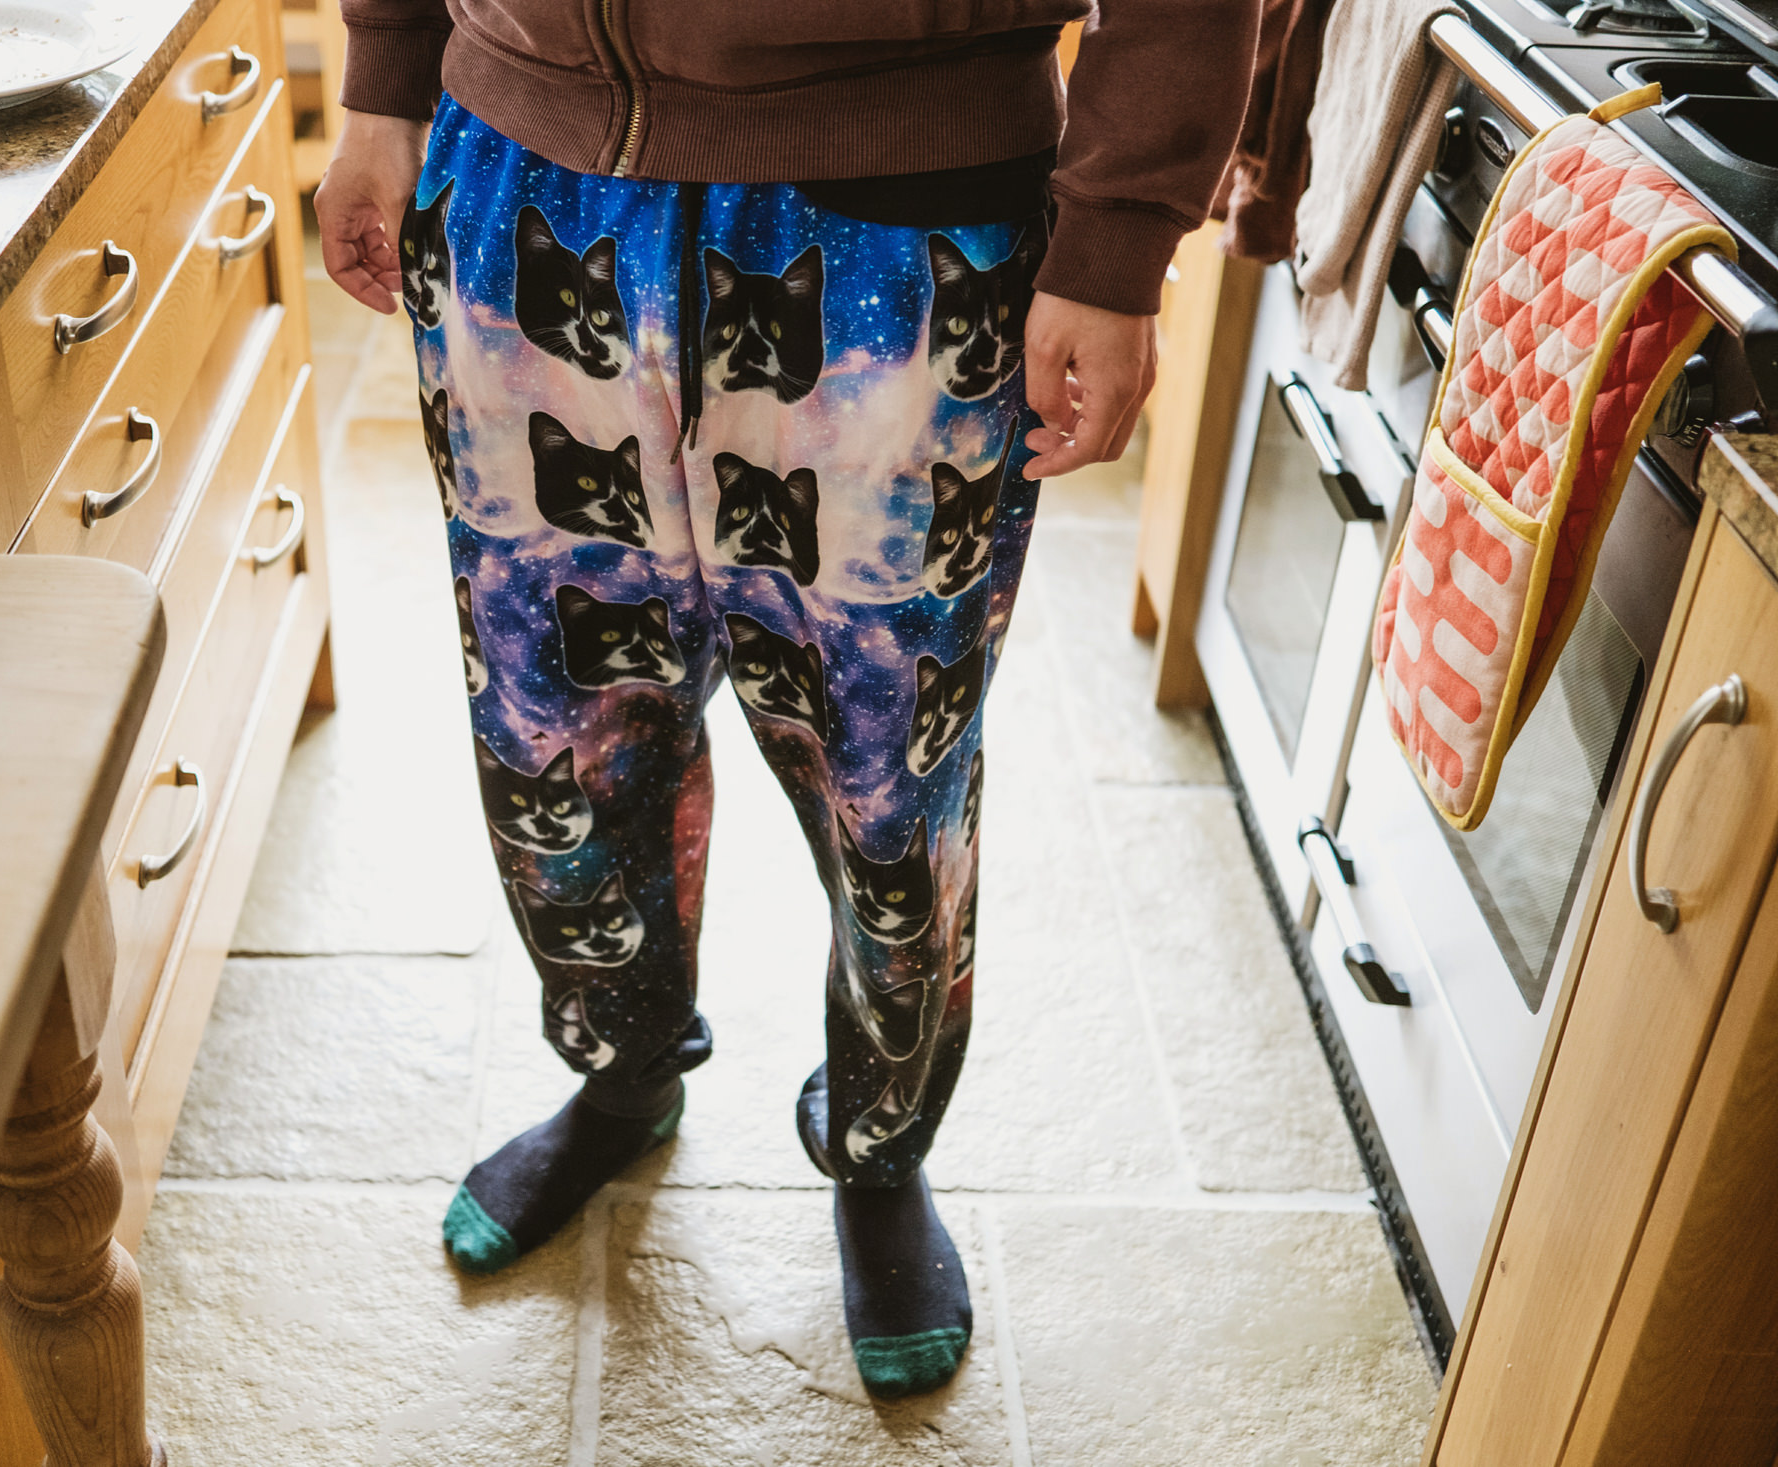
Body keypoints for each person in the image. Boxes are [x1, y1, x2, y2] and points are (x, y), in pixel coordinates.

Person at [315, 0, 1260, 1400]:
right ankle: (624, 1072)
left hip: (899, 210)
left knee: (889, 780)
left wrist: (1119, 238)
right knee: (558, 725)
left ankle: (881, 1153)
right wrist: (387, 79)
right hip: (521, 175)